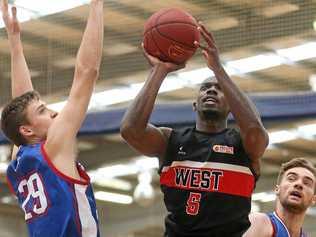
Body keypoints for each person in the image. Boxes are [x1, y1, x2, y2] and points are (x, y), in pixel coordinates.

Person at [120, 22, 269, 237]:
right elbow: (130, 130)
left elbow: (255, 129)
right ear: (194, 105)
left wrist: (218, 69)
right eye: (205, 88)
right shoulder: (169, 141)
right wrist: (159, 70)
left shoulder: (244, 146)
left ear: (231, 108)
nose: (211, 90)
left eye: (218, 89)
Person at [1, 0, 104, 236]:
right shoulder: (54, 148)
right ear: (28, 131)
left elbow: (22, 106)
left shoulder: (20, 158)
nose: (55, 113)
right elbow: (87, 73)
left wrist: (15, 44)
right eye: (43, 111)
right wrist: (96, 6)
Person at [244, 158, 316, 237]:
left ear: (313, 199)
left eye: (307, 183)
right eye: (291, 179)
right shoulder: (259, 222)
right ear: (277, 189)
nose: (299, 184)